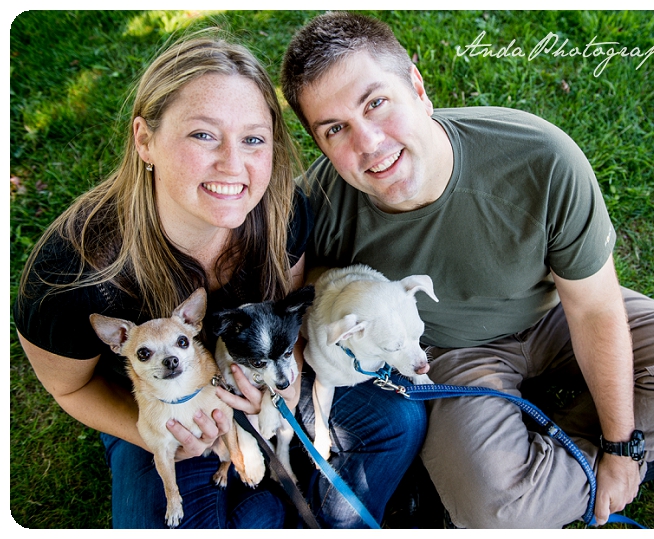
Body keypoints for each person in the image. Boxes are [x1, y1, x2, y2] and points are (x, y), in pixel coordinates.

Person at [280, 12, 654, 528]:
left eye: (376, 103)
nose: (368, 143)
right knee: (497, 513)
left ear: (418, 88)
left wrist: (622, 445)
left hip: (556, 310)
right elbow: (292, 298)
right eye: (335, 129)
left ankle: (595, 466)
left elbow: (594, 308)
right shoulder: (321, 203)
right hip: (451, 352)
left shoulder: (540, 157)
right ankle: (646, 461)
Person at [14, 31, 425, 529]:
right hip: (163, 403)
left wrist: (288, 384)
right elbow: (71, 390)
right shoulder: (71, 274)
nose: (233, 165)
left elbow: (286, 310)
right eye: (203, 134)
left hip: (256, 373)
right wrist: (163, 433)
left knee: (395, 424)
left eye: (253, 139)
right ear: (145, 139)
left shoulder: (281, 209)